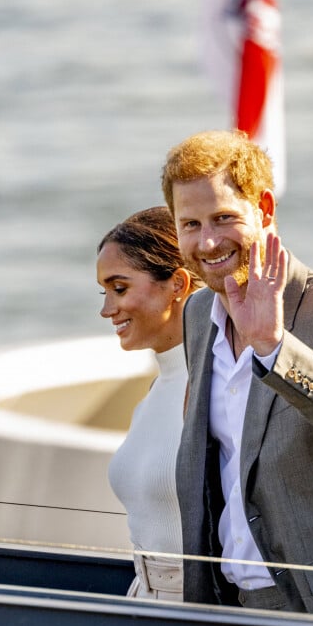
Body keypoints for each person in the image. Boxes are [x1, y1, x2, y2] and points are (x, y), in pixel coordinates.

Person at [161, 129, 313, 620]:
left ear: (265, 209)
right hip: (229, 606)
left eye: (224, 218)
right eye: (190, 224)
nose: (207, 241)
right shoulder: (197, 314)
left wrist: (275, 347)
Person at [97, 206, 202, 601]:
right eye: (104, 292)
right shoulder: (154, 395)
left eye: (119, 289)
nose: (107, 309)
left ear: (177, 284)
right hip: (141, 603)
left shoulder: (220, 390)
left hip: (204, 614)